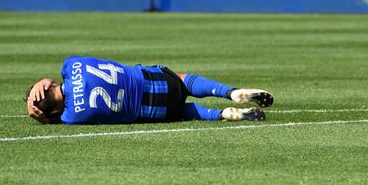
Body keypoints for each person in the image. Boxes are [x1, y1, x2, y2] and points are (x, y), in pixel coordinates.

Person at [25, 55, 274, 125]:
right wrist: (44, 79)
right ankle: (230, 92)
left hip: (150, 109)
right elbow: (59, 75)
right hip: (147, 79)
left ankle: (219, 115)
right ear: (49, 85)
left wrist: (44, 117)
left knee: (184, 112)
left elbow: (57, 116)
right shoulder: (72, 64)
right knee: (183, 80)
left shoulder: (72, 116)